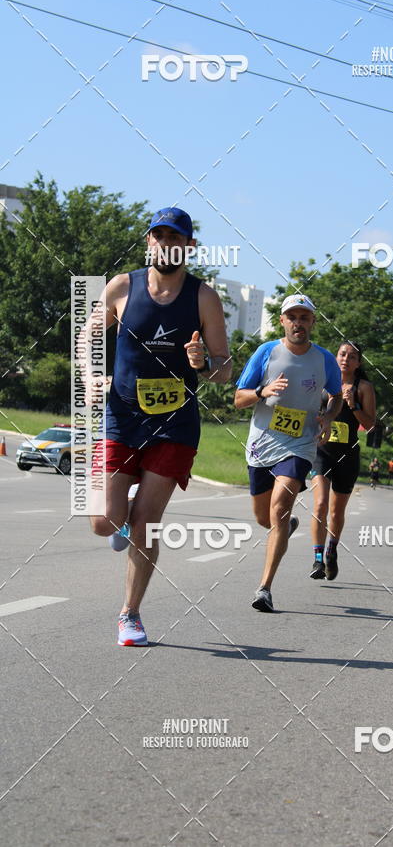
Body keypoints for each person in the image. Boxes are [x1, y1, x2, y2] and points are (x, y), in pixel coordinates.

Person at [89, 207, 230, 646]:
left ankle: (130, 614)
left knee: (148, 522)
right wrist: (91, 374)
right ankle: (123, 514)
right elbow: (88, 334)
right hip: (122, 417)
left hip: (174, 424)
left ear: (188, 246)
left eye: (175, 237)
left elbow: (223, 369)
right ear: (149, 241)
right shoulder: (122, 287)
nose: (165, 243)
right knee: (103, 523)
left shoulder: (204, 297)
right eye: (158, 235)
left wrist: (202, 363)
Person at [234, 294, 342, 612]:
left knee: (280, 506)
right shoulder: (266, 352)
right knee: (263, 516)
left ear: (313, 322)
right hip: (261, 443)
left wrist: (329, 417)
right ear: (282, 321)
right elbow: (238, 398)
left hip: (300, 445)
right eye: (292, 317)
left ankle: (264, 588)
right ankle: (285, 525)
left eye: (304, 317)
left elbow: (336, 395)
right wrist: (261, 391)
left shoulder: (324, 360)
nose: (298, 323)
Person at [309, 341, 376, 581]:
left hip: (348, 455)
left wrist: (353, 405)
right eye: (342, 354)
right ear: (335, 357)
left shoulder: (363, 387)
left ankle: (331, 550)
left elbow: (369, 424)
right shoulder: (322, 381)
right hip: (321, 452)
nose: (346, 359)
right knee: (320, 505)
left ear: (358, 363)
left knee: (337, 512)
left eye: (352, 356)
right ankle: (317, 559)